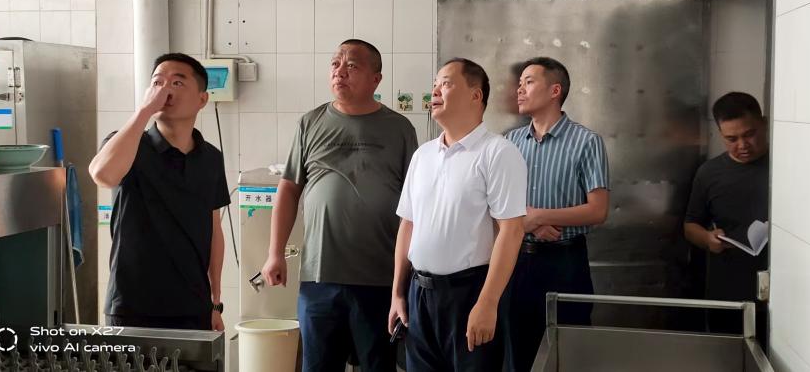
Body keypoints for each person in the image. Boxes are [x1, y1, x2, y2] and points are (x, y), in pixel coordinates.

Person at [259, 39, 418, 372]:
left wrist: (408, 274)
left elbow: (415, 203)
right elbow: (289, 189)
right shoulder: (311, 122)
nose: (340, 71)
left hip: (380, 277)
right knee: (318, 365)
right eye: (335, 63)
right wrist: (275, 252)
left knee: (378, 365)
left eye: (352, 65)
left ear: (376, 79)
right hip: (320, 275)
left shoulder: (399, 129)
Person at [389, 58, 527, 371]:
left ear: (476, 95)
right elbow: (408, 224)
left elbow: (512, 231)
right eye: (435, 84)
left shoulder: (498, 153)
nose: (435, 91)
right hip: (419, 293)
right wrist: (398, 293)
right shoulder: (423, 155)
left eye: (446, 83)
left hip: (470, 293)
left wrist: (488, 302)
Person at [89, 53, 229, 331]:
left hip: (193, 307)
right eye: (157, 82)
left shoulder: (211, 158)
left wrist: (215, 302)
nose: (165, 90)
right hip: (132, 307)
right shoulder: (128, 144)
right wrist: (144, 111)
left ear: (202, 99)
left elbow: (214, 228)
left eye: (177, 82)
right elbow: (102, 175)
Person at [502, 57, 610, 371]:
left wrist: (538, 217)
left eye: (528, 82)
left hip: (566, 263)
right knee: (518, 352)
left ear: (555, 90)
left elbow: (598, 210)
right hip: (516, 259)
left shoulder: (586, 142)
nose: (519, 90)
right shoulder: (510, 142)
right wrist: (527, 223)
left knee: (568, 352)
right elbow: (498, 203)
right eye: (519, 83)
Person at [683, 92, 769, 344]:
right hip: (728, 295)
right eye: (731, 139)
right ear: (720, 133)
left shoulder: (785, 166)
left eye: (749, 134)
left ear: (764, 124)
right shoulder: (709, 173)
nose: (742, 145)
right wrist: (708, 239)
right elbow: (690, 226)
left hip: (779, 296)